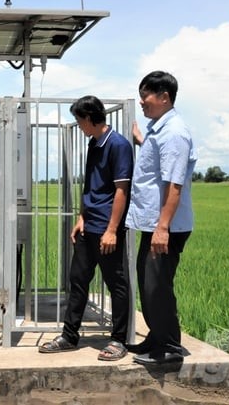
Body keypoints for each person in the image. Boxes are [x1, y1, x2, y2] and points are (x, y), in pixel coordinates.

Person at [39, 95, 133, 361]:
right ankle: (69, 336)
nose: (79, 126)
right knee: (78, 280)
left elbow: (121, 189)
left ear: (90, 118)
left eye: (80, 121)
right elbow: (90, 185)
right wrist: (82, 217)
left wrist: (112, 229)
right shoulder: (94, 143)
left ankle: (118, 340)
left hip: (106, 228)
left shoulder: (119, 145)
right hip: (88, 226)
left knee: (117, 283)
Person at [125, 71, 197, 365]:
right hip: (154, 224)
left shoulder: (174, 132)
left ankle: (169, 348)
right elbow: (158, 162)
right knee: (147, 282)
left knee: (158, 285)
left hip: (166, 226)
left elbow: (174, 184)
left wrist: (163, 227)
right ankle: (156, 337)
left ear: (164, 97)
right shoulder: (159, 131)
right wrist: (142, 140)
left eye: (146, 96)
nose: (142, 102)